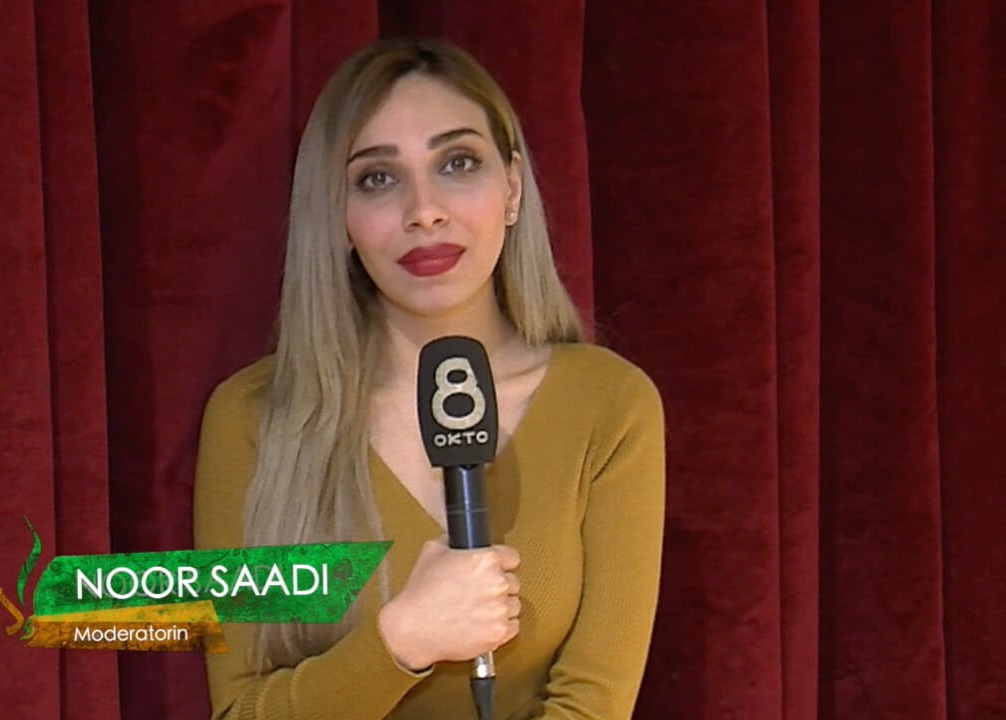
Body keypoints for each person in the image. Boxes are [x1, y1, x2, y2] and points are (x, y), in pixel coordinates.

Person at [193, 36, 665, 720]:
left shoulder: (609, 405)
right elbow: (240, 711)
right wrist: (402, 642)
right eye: (377, 179)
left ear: (512, 189)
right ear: (338, 217)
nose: (424, 211)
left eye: (457, 163)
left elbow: (593, 707)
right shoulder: (253, 417)